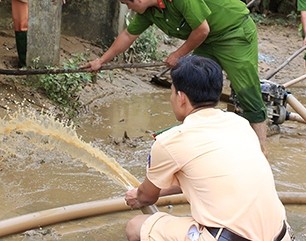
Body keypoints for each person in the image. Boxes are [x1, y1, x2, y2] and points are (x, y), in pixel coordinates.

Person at [86, 0, 269, 152]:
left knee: (246, 91)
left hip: (234, 32)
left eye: (126, 3)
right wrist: (101, 61)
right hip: (209, 40)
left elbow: (201, 29)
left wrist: (177, 55)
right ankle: (200, 144)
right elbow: (127, 35)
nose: (128, 8)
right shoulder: (149, 12)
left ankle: (262, 152)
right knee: (194, 84)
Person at [124, 56, 292, 241]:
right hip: (281, 235)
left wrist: (138, 195)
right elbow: (205, 177)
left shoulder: (169, 142)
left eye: (172, 92)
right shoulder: (240, 123)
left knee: (136, 226)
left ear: (181, 98)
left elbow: (146, 198)